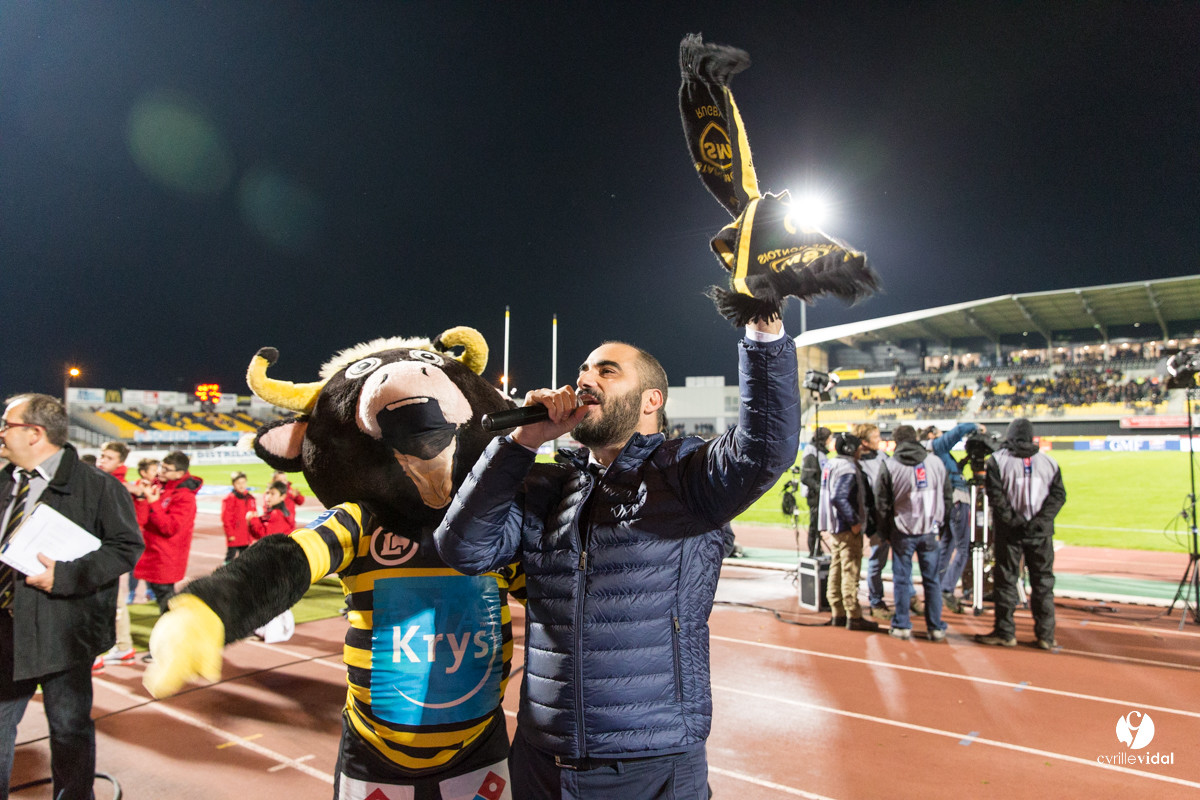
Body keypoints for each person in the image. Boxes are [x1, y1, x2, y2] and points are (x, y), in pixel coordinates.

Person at [434, 319, 799, 799]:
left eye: (607, 371)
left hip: (649, 763)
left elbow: (764, 450)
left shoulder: (685, 475)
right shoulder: (547, 485)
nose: (585, 380)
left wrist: (763, 332)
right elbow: (463, 549)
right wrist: (522, 443)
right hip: (542, 757)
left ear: (652, 400)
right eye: (583, 370)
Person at [0, 394, 143, 800]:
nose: (0, 432)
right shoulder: (4, 479)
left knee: (69, 730)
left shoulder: (97, 486)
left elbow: (125, 547)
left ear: (34, 433)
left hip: (63, 631)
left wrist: (64, 576)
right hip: (5, 630)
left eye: (6, 424)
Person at [975, 419, 1066, 650]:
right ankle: (1046, 635)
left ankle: (1006, 633)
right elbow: (1058, 496)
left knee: (1006, 582)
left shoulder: (997, 461)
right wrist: (1038, 522)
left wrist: (1015, 521)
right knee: (1043, 583)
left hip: (1010, 533)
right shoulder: (1049, 462)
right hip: (1040, 533)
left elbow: (995, 496)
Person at [875, 425, 952, 642]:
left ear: (897, 441)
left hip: (902, 530)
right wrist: (943, 526)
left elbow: (881, 505)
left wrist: (885, 532)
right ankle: (935, 627)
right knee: (932, 581)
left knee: (901, 579)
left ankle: (902, 625)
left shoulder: (889, 465)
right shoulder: (936, 462)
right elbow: (947, 497)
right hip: (930, 530)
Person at [819, 432, 879, 632]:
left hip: (834, 526)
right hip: (846, 528)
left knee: (836, 568)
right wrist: (854, 521)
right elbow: (839, 497)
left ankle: (838, 612)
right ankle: (853, 614)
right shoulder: (848, 468)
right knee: (849, 571)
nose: (860, 451)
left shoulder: (831, 463)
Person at [923, 421, 986, 613]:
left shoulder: (930, 453)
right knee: (963, 548)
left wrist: (963, 463)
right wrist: (976, 426)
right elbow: (958, 431)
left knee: (946, 545)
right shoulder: (937, 446)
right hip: (957, 499)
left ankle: (937, 586)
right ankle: (947, 588)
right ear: (932, 435)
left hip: (946, 502)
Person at [133, 450, 201, 613]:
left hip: (166, 556)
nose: (160, 472)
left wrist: (154, 503)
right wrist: (142, 496)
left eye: (166, 469)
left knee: (166, 600)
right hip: (153, 552)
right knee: (163, 597)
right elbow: (141, 519)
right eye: (161, 467)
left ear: (179, 473)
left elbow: (169, 528)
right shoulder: (160, 486)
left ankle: (177, 633)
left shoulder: (185, 497)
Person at [94, 441, 137, 667]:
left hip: (109, 552)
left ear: (120, 462)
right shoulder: (107, 481)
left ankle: (113, 648)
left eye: (108, 457)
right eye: (102, 455)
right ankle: (122, 646)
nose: (102, 460)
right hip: (104, 550)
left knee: (111, 602)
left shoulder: (115, 485)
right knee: (113, 602)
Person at [853, 423, 891, 620]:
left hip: (891, 517)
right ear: (864, 442)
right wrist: (870, 525)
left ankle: (909, 598)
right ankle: (876, 601)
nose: (879, 440)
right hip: (876, 520)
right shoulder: (857, 464)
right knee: (876, 562)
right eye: (875, 437)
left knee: (900, 560)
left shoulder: (883, 457)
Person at [126, 458, 160, 605]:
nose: (156, 473)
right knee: (135, 565)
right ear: (143, 472)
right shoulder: (135, 488)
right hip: (139, 532)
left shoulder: (157, 487)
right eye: (153, 470)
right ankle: (132, 592)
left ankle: (150, 591)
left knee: (150, 564)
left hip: (151, 533)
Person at [799, 426, 832, 556]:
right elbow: (806, 478)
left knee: (818, 523)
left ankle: (817, 549)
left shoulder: (820, 451)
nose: (831, 439)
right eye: (830, 437)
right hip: (815, 495)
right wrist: (820, 489)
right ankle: (814, 551)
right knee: (814, 524)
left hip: (819, 493)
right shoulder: (812, 451)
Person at [220, 471, 257, 561]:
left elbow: (254, 516)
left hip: (246, 534)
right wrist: (230, 534)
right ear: (233, 484)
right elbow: (226, 518)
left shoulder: (250, 498)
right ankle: (224, 574)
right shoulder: (229, 499)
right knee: (230, 557)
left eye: (243, 482)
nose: (241, 485)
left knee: (245, 558)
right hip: (235, 535)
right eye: (238, 483)